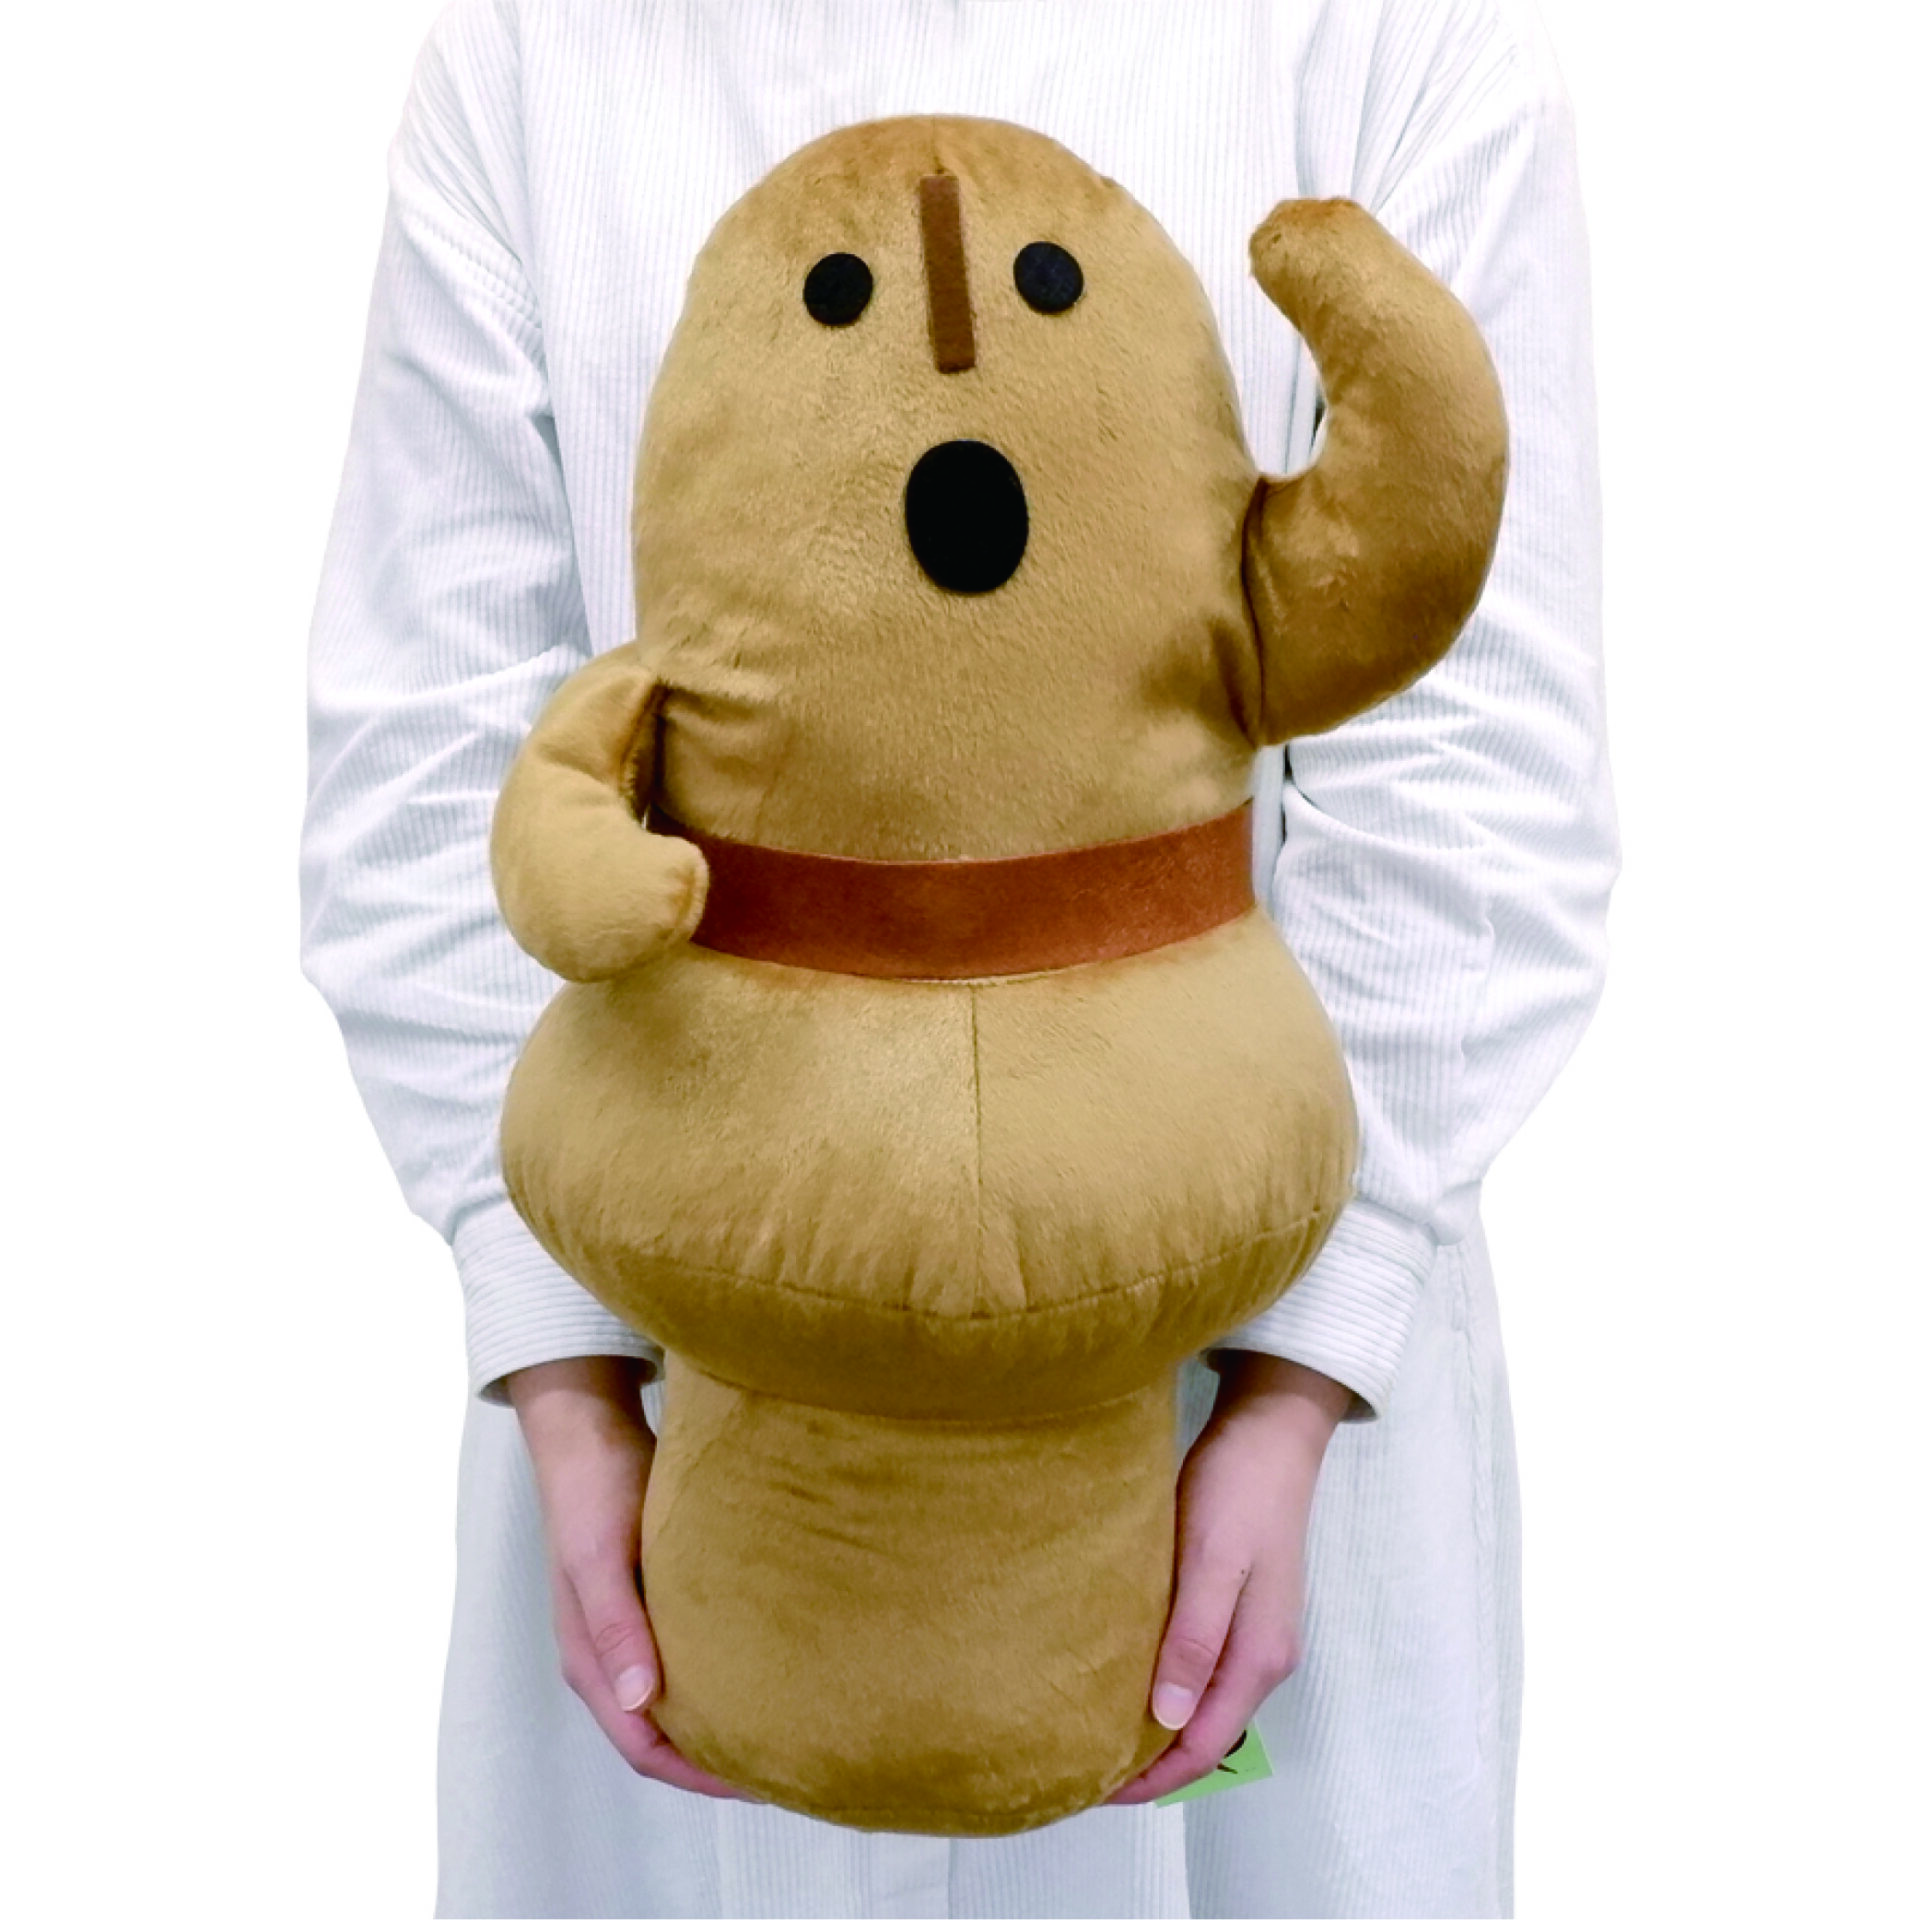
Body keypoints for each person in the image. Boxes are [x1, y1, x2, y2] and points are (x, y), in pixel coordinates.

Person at [300, 0, 1616, 1913]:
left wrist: (1299, 1365)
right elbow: (436, 741)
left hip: (1252, 1401)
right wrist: (564, 1364)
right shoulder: (532, 54)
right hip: (687, 1388)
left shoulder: (1385, 35)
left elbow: (1470, 736)